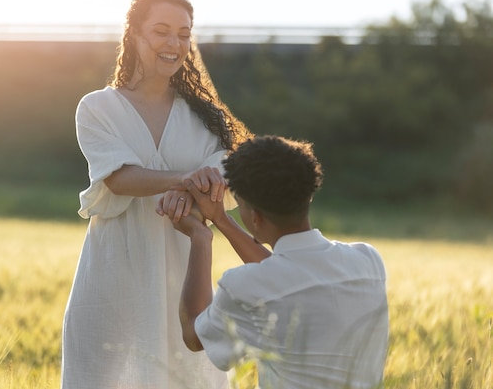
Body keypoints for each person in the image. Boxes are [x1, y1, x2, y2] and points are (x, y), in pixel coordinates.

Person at [61, 0, 251, 389]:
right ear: (133, 35)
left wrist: (199, 184)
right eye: (161, 31)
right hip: (114, 272)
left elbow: (219, 185)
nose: (174, 44)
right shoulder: (97, 108)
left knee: (186, 374)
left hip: (186, 276)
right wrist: (188, 179)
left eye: (183, 34)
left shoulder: (208, 118)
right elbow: (118, 177)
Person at [160, 135, 389, 389]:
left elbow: (194, 335)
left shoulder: (244, 286)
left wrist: (201, 237)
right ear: (308, 195)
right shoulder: (368, 261)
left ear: (255, 217)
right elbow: (287, 276)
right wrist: (221, 219)